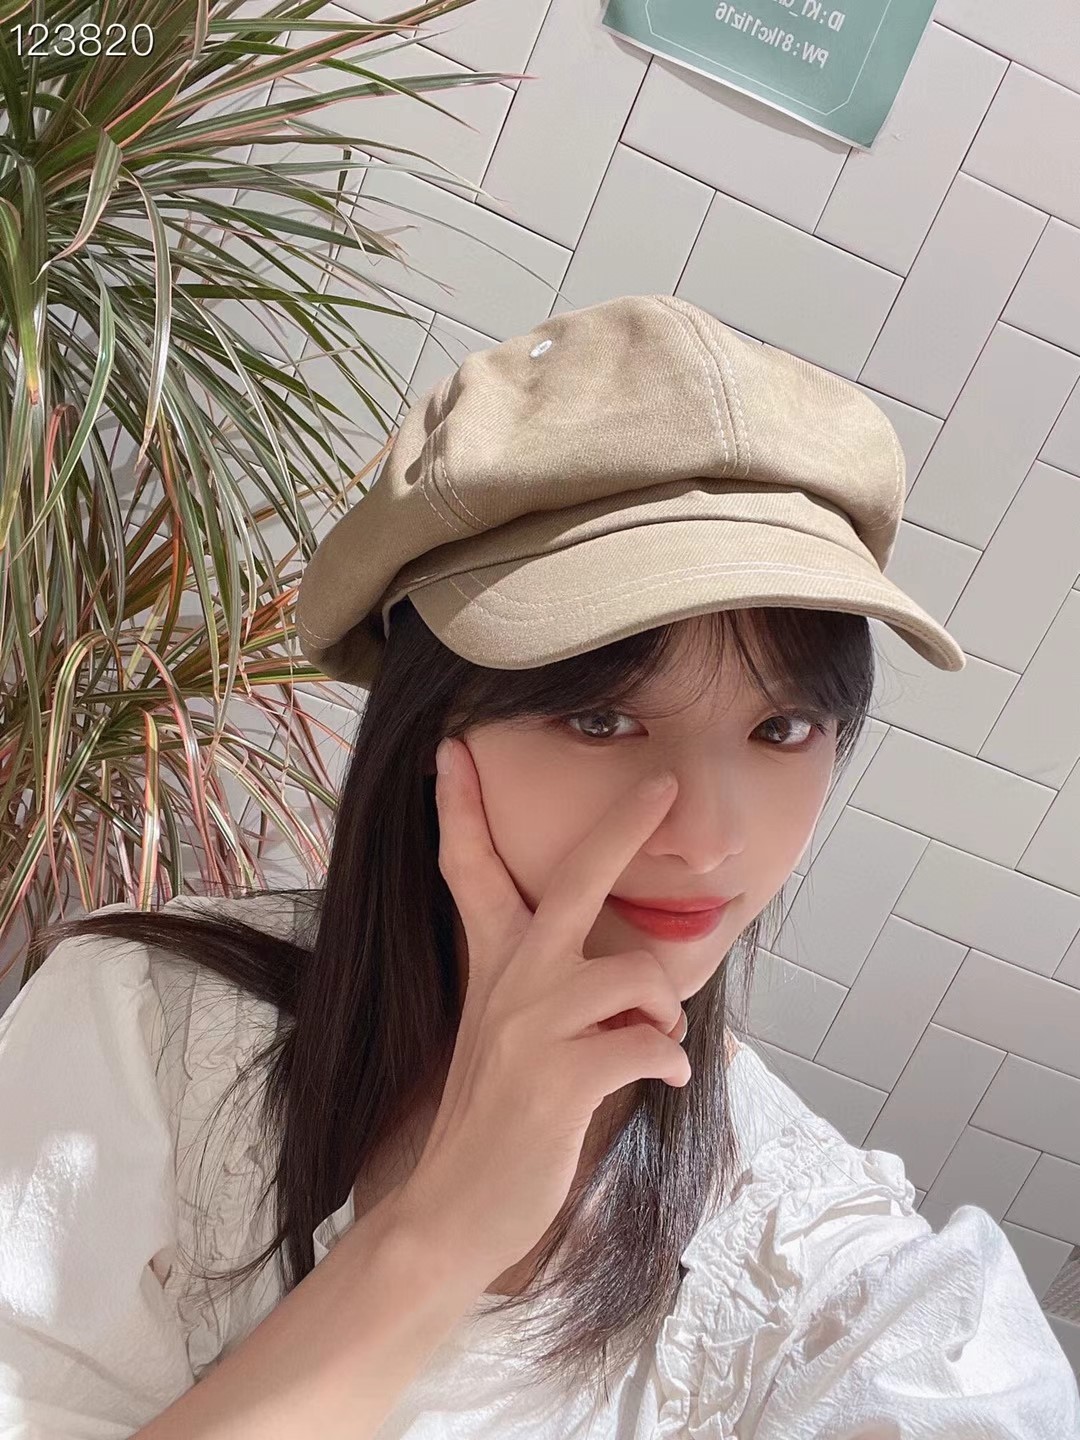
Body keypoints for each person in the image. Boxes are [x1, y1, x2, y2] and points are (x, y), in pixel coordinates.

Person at [1, 293, 1077, 1439]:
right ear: (428, 729)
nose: (709, 837)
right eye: (602, 719)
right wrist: (440, 1235)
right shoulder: (144, 1035)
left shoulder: (813, 1256)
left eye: (784, 727)